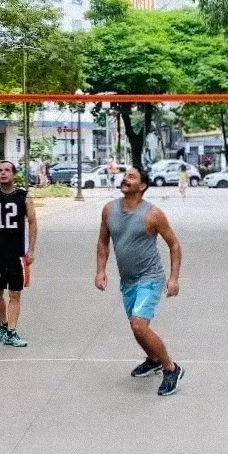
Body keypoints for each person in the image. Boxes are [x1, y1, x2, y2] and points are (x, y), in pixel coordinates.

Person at [95, 167, 184, 396]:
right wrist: (100, 271)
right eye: (125, 175)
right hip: (128, 280)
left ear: (142, 186)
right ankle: (154, 359)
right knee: (137, 330)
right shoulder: (109, 210)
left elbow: (174, 245)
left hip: (151, 277)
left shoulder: (152, 214)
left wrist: (174, 278)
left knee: (138, 325)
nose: (125, 178)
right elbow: (103, 242)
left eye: (131, 177)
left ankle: (171, 368)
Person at [0, 160, 37, 347]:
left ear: (13, 174)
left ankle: (12, 332)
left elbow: (32, 222)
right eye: (0, 171)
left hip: (17, 253)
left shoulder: (24, 196)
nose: (3, 173)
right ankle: (4, 324)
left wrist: (31, 249)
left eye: (7, 170)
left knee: (15, 293)